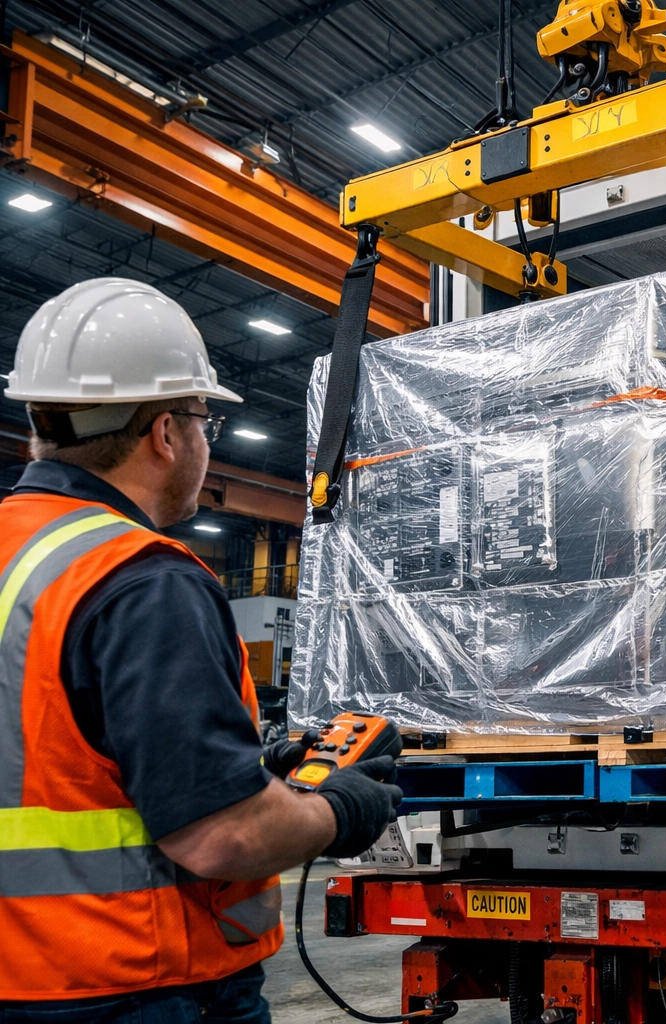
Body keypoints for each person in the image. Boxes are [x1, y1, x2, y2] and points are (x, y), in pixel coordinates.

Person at [0, 279, 404, 1022]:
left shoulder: (19, 553)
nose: (203, 439)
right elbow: (223, 836)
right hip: (128, 986)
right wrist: (339, 810)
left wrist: (246, 770)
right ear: (163, 433)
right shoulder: (137, 578)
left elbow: (56, 754)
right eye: (203, 420)